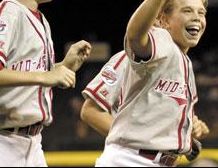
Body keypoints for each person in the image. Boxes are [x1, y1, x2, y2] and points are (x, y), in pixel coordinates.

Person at [95, 0, 210, 167]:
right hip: (131, 159)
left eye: (201, 12)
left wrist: (185, 140)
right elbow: (136, 36)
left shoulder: (183, 62)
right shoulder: (161, 40)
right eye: (187, 11)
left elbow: (156, 111)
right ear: (163, 20)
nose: (197, 17)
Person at [0, 0, 91, 167]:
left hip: (32, 143)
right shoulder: (6, 13)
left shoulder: (40, 19)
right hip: (2, 142)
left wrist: (63, 66)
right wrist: (47, 75)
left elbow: (23, 73)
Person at [80, 50, 209, 144]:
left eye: (201, 13)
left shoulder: (185, 67)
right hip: (130, 159)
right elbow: (90, 111)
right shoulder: (129, 58)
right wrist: (140, 141)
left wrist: (191, 129)